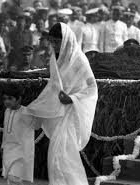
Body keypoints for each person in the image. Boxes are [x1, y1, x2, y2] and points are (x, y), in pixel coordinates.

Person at [23, 23, 98, 185]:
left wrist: (72, 98)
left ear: (66, 41)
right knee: (56, 156)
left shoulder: (79, 60)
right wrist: (38, 107)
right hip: (58, 112)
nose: (54, 46)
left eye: (57, 42)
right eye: (52, 42)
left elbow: (92, 88)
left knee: (63, 155)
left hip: (72, 113)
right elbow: (53, 88)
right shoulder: (54, 60)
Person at [1, 85, 41, 185]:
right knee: (10, 179)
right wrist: (2, 146)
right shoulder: (7, 111)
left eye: (10, 98)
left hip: (21, 152)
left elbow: (37, 126)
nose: (6, 101)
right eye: (5, 98)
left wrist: (39, 112)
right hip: (8, 150)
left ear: (19, 99)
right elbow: (6, 131)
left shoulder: (26, 112)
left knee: (13, 177)